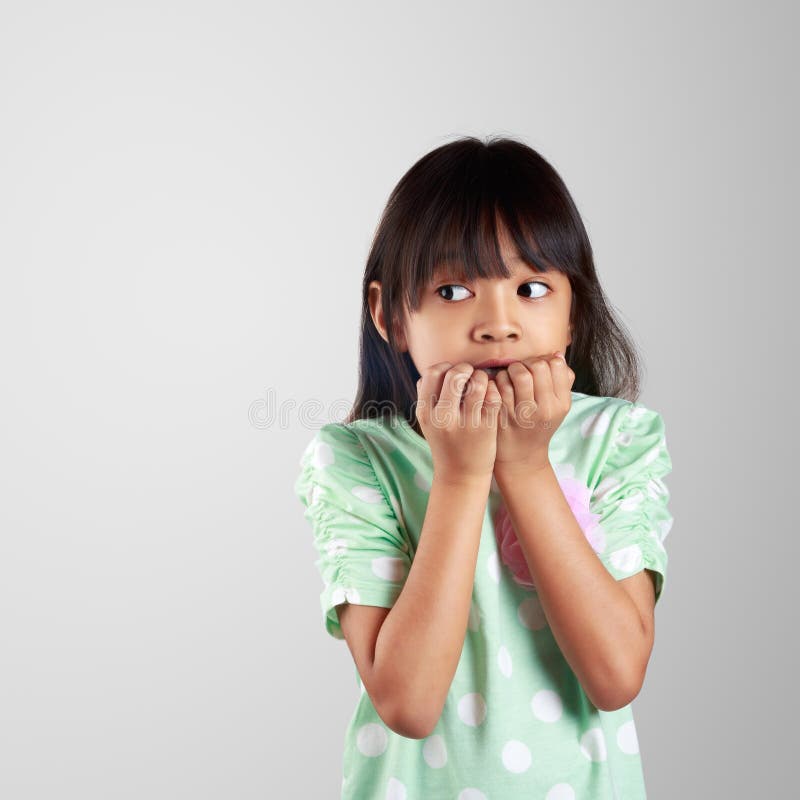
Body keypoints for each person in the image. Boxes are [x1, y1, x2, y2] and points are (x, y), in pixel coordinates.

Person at [293, 135, 674, 799]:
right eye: (453, 289)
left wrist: (526, 468)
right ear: (390, 316)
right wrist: (463, 476)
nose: (497, 323)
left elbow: (615, 677)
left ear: (571, 310)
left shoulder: (619, 438)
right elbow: (407, 705)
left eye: (531, 287)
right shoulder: (355, 460)